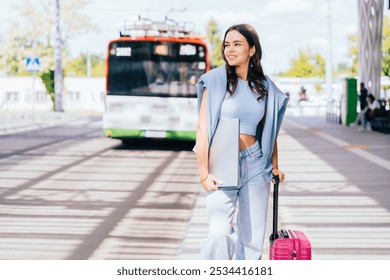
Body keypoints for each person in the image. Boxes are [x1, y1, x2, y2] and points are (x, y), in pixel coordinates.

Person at [195, 24, 289, 260]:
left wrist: (274, 165)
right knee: (218, 234)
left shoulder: (265, 86)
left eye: (237, 44)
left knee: (252, 240)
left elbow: (270, 129)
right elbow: (203, 128)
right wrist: (203, 172)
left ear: (251, 50)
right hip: (222, 162)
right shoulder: (216, 80)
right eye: (227, 44)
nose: (230, 49)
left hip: (256, 163)